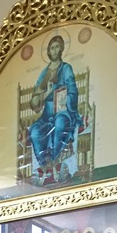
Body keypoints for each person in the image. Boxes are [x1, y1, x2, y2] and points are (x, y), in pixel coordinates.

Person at [29, 34, 82, 184]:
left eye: (57, 47)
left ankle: (56, 163)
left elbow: (72, 88)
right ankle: (45, 166)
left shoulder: (66, 68)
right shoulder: (44, 74)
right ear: (48, 51)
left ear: (61, 49)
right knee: (35, 132)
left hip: (63, 110)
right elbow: (35, 99)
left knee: (60, 124)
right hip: (47, 115)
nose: (54, 50)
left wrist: (67, 99)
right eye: (52, 48)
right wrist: (43, 95)